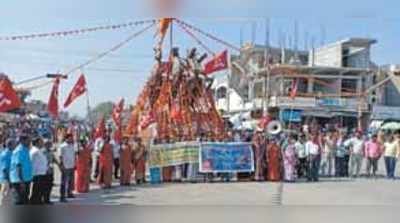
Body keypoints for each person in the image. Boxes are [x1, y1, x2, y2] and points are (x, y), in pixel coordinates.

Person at [9, 134, 33, 205]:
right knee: (20, 200)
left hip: (25, 179)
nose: (30, 142)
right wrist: (21, 181)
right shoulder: (19, 151)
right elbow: (18, 166)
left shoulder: (25, 149)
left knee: (25, 198)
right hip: (19, 180)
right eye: (28, 140)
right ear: (22, 141)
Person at [29, 137, 48, 205]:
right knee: (37, 190)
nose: (42, 143)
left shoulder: (38, 150)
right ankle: (35, 202)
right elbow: (31, 162)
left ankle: (38, 201)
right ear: (37, 143)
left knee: (40, 189)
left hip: (41, 173)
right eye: (41, 142)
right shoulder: (34, 151)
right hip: (37, 173)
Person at [59, 133, 76, 202]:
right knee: (64, 182)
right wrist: (61, 165)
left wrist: (74, 163)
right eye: (70, 138)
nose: (71, 139)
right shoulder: (62, 146)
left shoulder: (72, 145)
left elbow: (73, 155)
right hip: (65, 166)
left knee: (70, 181)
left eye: (72, 138)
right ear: (66, 138)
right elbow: (60, 156)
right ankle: (62, 196)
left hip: (71, 165)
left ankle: (69, 193)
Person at [42, 139, 59, 205]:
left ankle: (47, 199)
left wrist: (58, 164)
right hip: (44, 172)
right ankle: (44, 199)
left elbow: (54, 159)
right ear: (45, 145)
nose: (49, 145)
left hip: (51, 171)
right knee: (45, 186)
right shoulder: (42, 152)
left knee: (50, 185)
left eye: (50, 144)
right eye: (48, 144)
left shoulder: (51, 151)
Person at [0, 139, 15, 206]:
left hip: (10, 178)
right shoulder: (6, 154)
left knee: (9, 198)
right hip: (6, 179)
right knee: (5, 198)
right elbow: (5, 169)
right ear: (9, 145)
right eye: (14, 144)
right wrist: (9, 180)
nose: (15, 145)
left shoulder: (10, 152)